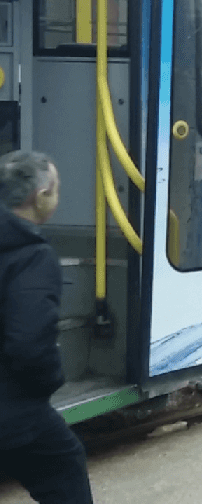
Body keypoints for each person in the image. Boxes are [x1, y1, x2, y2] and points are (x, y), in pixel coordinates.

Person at [0, 151, 94, 504]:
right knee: (64, 467)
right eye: (57, 190)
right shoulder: (32, 256)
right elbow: (28, 345)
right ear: (41, 197)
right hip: (12, 410)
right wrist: (50, 381)